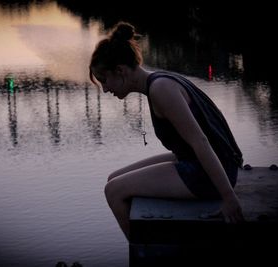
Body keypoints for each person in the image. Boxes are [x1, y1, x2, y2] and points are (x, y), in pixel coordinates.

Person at [89, 22, 245, 240]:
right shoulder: (160, 80)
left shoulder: (161, 89)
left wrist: (228, 197)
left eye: (104, 80)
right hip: (201, 162)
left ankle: (142, 253)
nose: (105, 89)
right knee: (113, 178)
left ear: (121, 71)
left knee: (113, 191)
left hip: (208, 175)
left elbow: (200, 141)